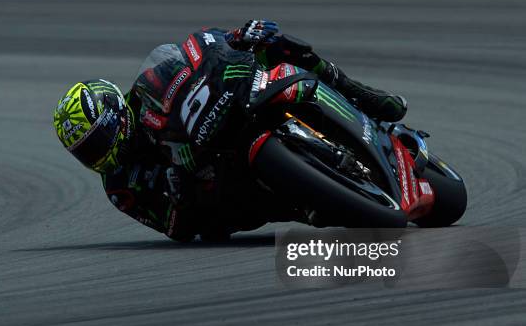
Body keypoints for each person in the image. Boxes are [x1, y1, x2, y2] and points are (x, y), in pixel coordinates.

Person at [52, 20, 407, 241]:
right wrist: (177, 189)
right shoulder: (119, 185)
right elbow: (172, 230)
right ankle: (319, 197)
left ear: (116, 114)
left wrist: (237, 37)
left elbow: (198, 49)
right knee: (243, 213)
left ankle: (362, 96)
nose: (99, 153)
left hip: (222, 115)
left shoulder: (149, 85)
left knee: (281, 50)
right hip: (220, 198)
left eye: (98, 140)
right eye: (87, 152)